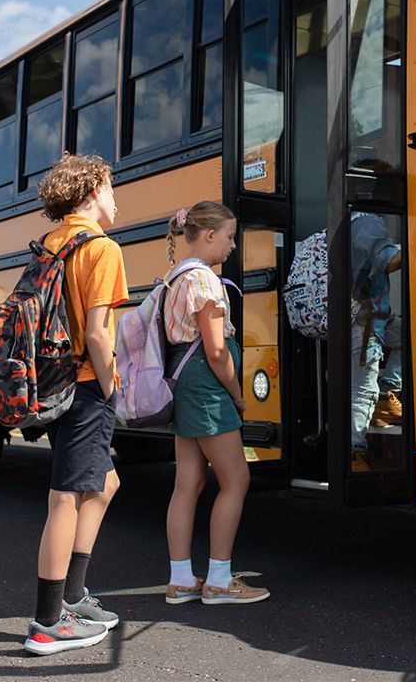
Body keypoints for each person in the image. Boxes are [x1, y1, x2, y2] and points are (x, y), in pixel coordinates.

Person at [23, 154, 129, 655]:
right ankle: (48, 621)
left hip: (51, 381)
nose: (115, 197)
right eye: (110, 188)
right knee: (65, 496)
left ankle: (73, 594)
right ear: (91, 192)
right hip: (87, 383)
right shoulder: (102, 249)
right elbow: (97, 334)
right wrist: (112, 388)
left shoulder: (49, 244)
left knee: (105, 481)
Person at [162, 201, 269, 606]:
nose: (233, 245)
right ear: (209, 235)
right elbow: (217, 351)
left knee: (187, 483)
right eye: (229, 236)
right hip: (207, 388)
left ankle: (181, 579)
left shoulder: (176, 275)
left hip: (183, 385)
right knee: (236, 479)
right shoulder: (204, 282)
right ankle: (220, 580)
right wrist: (238, 395)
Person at [349, 212, 416, 471]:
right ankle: (352, 454)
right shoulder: (369, 222)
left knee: (411, 334)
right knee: (362, 389)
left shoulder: (351, 222)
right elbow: (388, 261)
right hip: (363, 320)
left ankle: (386, 393)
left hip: (378, 316)